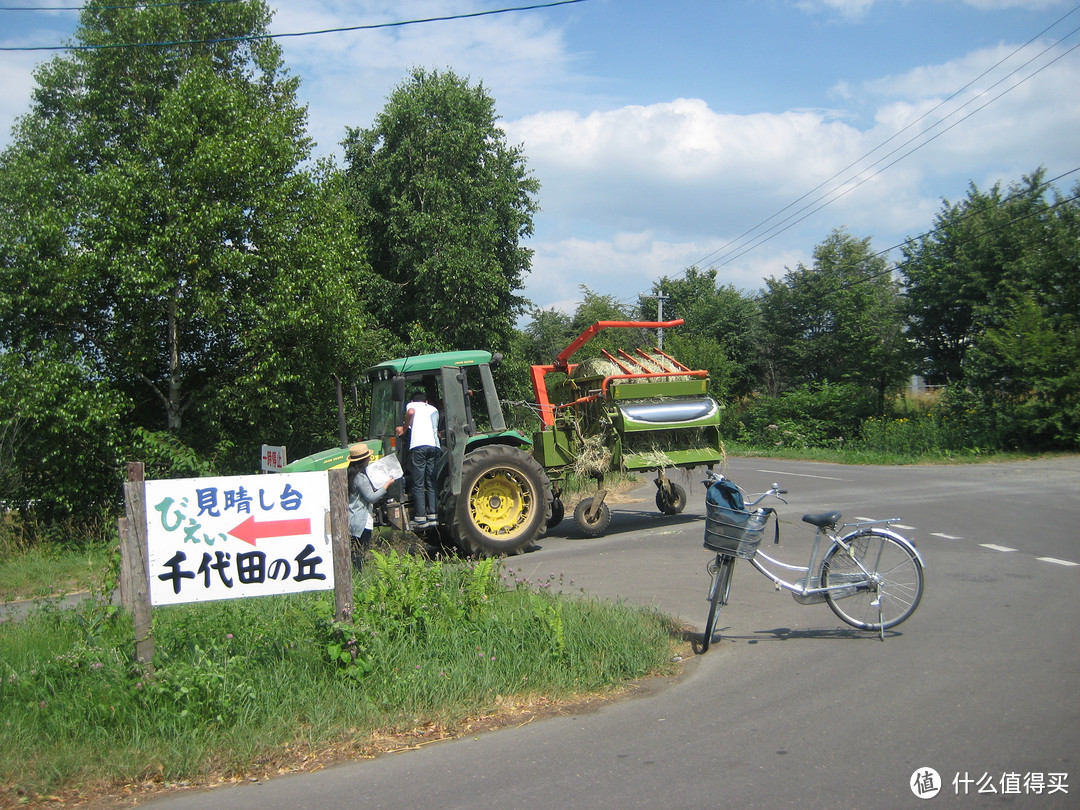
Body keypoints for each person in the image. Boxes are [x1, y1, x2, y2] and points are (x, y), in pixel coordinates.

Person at [395, 390, 440, 529]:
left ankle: (420, 517)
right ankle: (433, 515)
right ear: (426, 401)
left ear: (412, 401)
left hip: (418, 446)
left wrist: (404, 427)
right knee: (431, 481)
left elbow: (411, 412)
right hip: (434, 447)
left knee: (418, 482)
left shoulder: (411, 405)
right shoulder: (434, 409)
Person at [346, 442, 393, 570]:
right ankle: (358, 576)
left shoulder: (350, 475)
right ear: (364, 460)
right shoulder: (360, 478)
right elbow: (371, 498)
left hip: (352, 518)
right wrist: (386, 485)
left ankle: (355, 576)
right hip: (361, 521)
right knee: (359, 554)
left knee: (354, 553)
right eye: (368, 457)